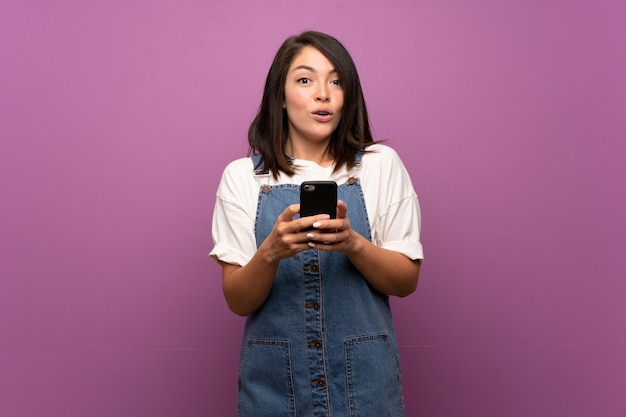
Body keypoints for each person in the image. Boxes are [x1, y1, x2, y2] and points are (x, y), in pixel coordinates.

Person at [210, 31, 423, 417]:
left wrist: (353, 245)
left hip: (366, 386)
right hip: (273, 387)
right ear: (280, 95)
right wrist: (271, 253)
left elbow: (406, 281)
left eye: (336, 80)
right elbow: (238, 300)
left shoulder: (381, 165)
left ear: (348, 96)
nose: (323, 93)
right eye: (305, 80)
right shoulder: (242, 177)